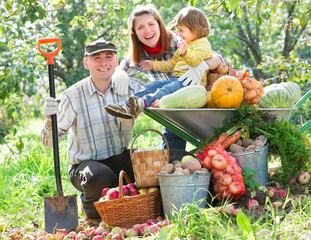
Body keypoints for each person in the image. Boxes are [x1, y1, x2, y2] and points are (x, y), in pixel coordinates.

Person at [40, 39, 145, 225]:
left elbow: (158, 95)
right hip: (86, 165)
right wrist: (49, 121)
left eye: (108, 57)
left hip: (119, 157)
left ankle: (135, 203)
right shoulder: (72, 96)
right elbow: (49, 143)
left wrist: (125, 75)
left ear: (115, 60)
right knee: (98, 176)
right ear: (86, 62)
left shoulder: (128, 88)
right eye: (97, 58)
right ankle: (93, 215)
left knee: (152, 160)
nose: (103, 62)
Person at [108, 4, 225, 150]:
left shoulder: (179, 42)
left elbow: (219, 57)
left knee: (168, 101)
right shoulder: (137, 54)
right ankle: (127, 106)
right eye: (140, 27)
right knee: (151, 89)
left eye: (151, 24)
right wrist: (120, 74)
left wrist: (203, 66)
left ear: (159, 25)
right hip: (167, 103)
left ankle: (142, 103)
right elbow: (168, 65)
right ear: (135, 34)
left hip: (188, 94)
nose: (147, 30)